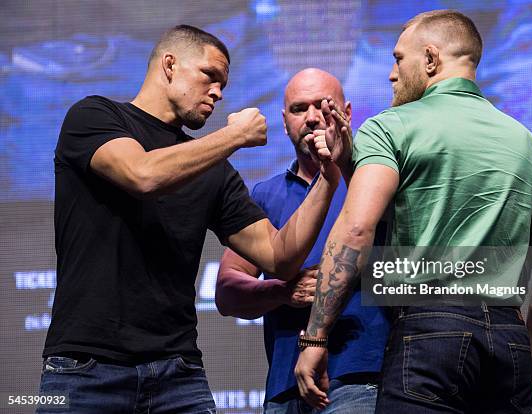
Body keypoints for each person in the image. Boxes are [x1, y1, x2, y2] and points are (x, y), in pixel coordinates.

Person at [38, 25, 343, 414]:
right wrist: (233, 137)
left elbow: (279, 256)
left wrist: (329, 178)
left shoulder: (212, 169)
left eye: (223, 84)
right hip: (84, 369)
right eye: (209, 77)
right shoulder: (94, 116)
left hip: (178, 375)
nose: (217, 92)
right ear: (169, 64)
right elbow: (142, 175)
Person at [294, 10, 532, 414]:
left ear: (430, 59)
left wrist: (316, 338)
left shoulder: (391, 127)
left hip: (429, 335)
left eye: (398, 59)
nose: (392, 74)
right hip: (508, 340)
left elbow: (356, 229)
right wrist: (529, 365)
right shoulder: (529, 145)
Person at [215, 68, 390, 414]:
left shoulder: (375, 183)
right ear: (284, 121)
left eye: (323, 106)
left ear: (347, 113)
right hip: (284, 388)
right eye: (298, 109)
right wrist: (280, 291)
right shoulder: (266, 194)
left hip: (361, 377)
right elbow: (226, 291)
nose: (311, 118)